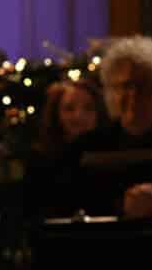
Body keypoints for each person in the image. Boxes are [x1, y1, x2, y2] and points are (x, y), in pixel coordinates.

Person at [66, 36, 152, 217]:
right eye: (125, 86)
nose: (134, 96)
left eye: (145, 86)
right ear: (109, 91)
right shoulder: (85, 149)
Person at [24, 78, 106, 219]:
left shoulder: (108, 154)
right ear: (57, 114)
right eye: (69, 109)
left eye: (88, 108)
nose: (79, 116)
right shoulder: (41, 160)